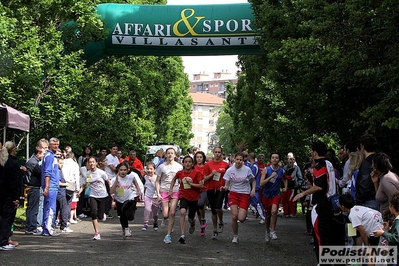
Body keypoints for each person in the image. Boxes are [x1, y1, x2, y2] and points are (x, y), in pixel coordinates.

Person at [293, 141, 345, 264]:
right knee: (329, 234)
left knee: (320, 236)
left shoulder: (319, 166)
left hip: (322, 205)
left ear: (315, 152)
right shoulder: (329, 163)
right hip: (332, 203)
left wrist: (303, 193)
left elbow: (320, 186)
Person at [222, 152, 255, 244]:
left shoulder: (247, 169)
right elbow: (227, 184)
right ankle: (235, 236)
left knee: (241, 218)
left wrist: (253, 190)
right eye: (237, 159)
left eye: (241, 160)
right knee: (234, 216)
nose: (239, 161)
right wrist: (224, 188)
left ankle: (243, 214)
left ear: (243, 160)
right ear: (234, 159)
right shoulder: (230, 170)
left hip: (244, 194)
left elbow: (253, 180)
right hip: (233, 193)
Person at [170, 156, 203, 244]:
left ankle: (192, 223)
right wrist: (171, 189)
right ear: (183, 163)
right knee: (182, 212)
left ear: (192, 164)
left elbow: (201, 185)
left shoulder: (197, 173)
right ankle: (182, 235)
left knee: (190, 218)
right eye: (186, 162)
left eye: (189, 162)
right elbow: (173, 180)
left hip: (194, 197)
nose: (187, 164)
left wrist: (191, 184)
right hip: (183, 195)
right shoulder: (180, 173)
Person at [155, 147, 183, 244]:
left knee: (172, 213)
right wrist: (158, 193)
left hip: (175, 190)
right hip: (164, 190)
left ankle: (168, 235)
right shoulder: (161, 167)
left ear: (175, 155)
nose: (170, 155)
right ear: (166, 155)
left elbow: (181, 180)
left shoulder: (179, 167)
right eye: (168, 153)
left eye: (172, 153)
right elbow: (157, 181)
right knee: (166, 214)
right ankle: (164, 218)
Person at [110, 161, 142, 239]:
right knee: (122, 213)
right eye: (121, 170)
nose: (123, 172)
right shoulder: (114, 179)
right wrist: (116, 183)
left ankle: (126, 226)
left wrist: (138, 190)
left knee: (130, 217)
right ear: (118, 170)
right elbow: (111, 191)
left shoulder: (131, 177)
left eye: (124, 170)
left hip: (129, 197)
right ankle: (126, 229)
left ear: (127, 170)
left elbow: (135, 181)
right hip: (119, 199)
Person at [203, 146, 229, 240]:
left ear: (221, 153)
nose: (217, 154)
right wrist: (211, 174)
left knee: (218, 207)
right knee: (213, 210)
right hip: (210, 188)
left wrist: (226, 186)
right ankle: (215, 230)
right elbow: (204, 178)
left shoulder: (226, 165)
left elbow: (229, 177)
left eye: (219, 152)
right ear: (213, 153)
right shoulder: (208, 165)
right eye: (216, 152)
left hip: (220, 188)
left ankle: (221, 221)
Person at [0, 141, 21, 251]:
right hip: (8, 195)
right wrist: (15, 198)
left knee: (3, 218)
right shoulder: (12, 164)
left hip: (2, 194)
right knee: (7, 218)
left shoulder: (3, 162)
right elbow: (14, 182)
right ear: (13, 150)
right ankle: (3, 241)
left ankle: (3, 240)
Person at [260, 151, 285, 241]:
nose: (275, 159)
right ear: (270, 159)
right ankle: (267, 231)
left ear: (279, 160)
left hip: (276, 194)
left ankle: (273, 231)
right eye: (273, 157)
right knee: (267, 215)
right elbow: (261, 183)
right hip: (266, 195)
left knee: (274, 212)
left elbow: (285, 178)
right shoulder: (266, 169)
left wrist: (285, 187)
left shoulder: (281, 170)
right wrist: (270, 177)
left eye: (276, 157)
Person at [86, 156, 110, 240]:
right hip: (93, 195)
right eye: (90, 162)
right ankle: (96, 233)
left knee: (100, 216)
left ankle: (102, 215)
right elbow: (87, 184)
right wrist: (80, 191)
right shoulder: (88, 173)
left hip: (102, 195)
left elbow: (108, 181)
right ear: (88, 163)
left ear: (96, 163)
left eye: (93, 162)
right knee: (93, 212)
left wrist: (112, 192)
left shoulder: (101, 173)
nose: (91, 163)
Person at [41, 137, 61, 237]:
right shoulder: (49, 156)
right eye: (54, 144)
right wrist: (47, 186)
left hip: (53, 185)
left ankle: (46, 228)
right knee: (50, 208)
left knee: (47, 207)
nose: (56, 146)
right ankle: (48, 229)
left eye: (57, 144)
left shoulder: (52, 156)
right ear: (50, 145)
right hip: (51, 186)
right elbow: (47, 172)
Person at [373, 190, 399, 263]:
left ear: (392, 207)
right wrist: (389, 229)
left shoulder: (397, 221)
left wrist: (383, 233)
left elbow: (396, 238)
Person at [24, 147, 45, 235]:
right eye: (43, 153)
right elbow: (41, 173)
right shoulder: (33, 162)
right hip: (33, 187)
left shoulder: (32, 161)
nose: (44, 155)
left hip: (32, 187)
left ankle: (29, 227)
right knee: (33, 209)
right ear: (38, 153)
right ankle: (31, 227)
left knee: (30, 208)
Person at [356, 134, 379, 210]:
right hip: (380, 198)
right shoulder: (379, 160)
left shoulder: (366, 164)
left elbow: (364, 184)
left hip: (369, 201)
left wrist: (358, 200)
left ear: (362, 147)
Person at [55, 158, 73, 233]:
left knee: (57, 209)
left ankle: (54, 224)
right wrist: (66, 184)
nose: (62, 165)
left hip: (61, 192)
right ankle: (64, 226)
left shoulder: (60, 171)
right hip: (60, 193)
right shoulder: (57, 172)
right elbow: (58, 182)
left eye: (62, 163)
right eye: (60, 163)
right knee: (64, 209)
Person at [62, 151, 80, 224]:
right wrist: (77, 187)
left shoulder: (62, 162)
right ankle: (66, 220)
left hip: (62, 183)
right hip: (71, 184)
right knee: (68, 203)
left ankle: (59, 219)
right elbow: (77, 176)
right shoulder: (75, 164)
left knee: (61, 203)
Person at [248, 152, 265, 223]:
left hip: (255, 187)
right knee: (250, 202)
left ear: (249, 157)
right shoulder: (253, 165)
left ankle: (263, 217)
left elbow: (252, 178)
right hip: (253, 187)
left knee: (257, 202)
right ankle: (259, 213)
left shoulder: (254, 166)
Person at [142, 162, 159, 231]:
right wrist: (142, 195)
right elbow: (145, 186)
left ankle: (155, 222)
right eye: (148, 169)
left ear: (154, 170)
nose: (149, 170)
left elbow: (157, 187)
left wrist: (151, 181)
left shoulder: (156, 177)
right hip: (147, 196)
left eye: (151, 169)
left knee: (155, 213)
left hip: (155, 197)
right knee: (147, 209)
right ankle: (146, 223)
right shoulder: (145, 177)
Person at [194, 151, 208, 236]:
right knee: (197, 209)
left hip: (204, 189)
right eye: (197, 157)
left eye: (200, 157)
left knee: (200, 204)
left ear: (203, 158)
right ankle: (202, 226)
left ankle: (203, 219)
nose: (199, 159)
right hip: (194, 189)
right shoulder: (193, 167)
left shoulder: (206, 167)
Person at [104, 144, 119, 218]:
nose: (115, 151)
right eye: (114, 149)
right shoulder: (108, 157)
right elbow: (113, 168)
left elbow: (119, 167)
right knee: (109, 195)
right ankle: (106, 212)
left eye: (116, 149)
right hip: (109, 178)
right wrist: (120, 170)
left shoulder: (116, 157)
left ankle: (120, 210)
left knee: (119, 193)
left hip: (116, 178)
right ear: (110, 149)